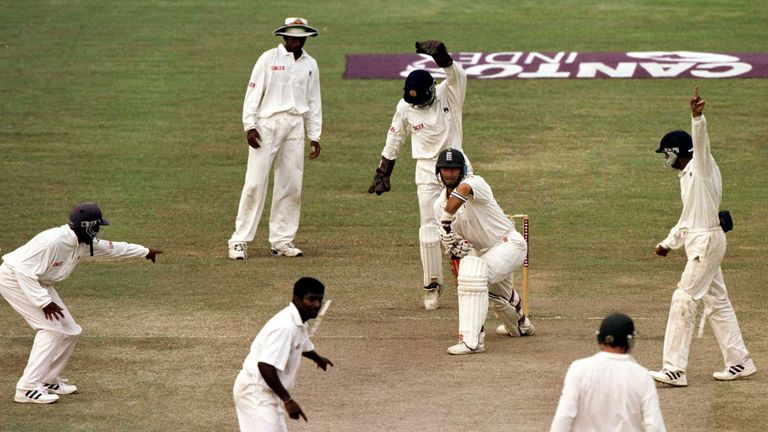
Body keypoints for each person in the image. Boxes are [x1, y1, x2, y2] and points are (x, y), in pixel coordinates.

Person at [0, 202, 162, 404]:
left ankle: (49, 379)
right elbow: (23, 271)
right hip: (15, 280)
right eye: (96, 227)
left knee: (70, 331)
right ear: (85, 226)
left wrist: (145, 251)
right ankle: (27, 388)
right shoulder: (53, 241)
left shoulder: (82, 243)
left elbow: (113, 249)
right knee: (51, 330)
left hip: (39, 282)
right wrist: (43, 302)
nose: (97, 232)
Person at [649, 86, 756, 387]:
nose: (664, 159)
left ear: (675, 153)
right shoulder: (687, 178)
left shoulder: (702, 167)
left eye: (665, 154)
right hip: (703, 239)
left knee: (683, 298)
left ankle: (674, 369)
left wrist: (698, 119)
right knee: (717, 301)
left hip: (706, 242)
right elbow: (688, 219)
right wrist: (668, 244)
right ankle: (739, 361)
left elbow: (701, 144)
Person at [368, 39, 471, 310]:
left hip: (457, 166)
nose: (417, 106)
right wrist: (383, 171)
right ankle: (432, 285)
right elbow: (394, 138)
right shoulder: (405, 108)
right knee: (429, 230)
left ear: (430, 92)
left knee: (466, 223)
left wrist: (443, 57)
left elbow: (456, 74)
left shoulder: (449, 93)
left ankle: (471, 279)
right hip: (426, 170)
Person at [228, 17, 322, 260]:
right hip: (267, 124)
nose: (296, 40)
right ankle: (239, 241)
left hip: (295, 124)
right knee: (255, 183)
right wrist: (249, 126)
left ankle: (282, 240)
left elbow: (313, 102)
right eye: (292, 36)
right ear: (284, 36)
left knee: (291, 183)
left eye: (301, 37)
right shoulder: (268, 59)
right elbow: (253, 93)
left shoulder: (310, 64)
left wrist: (315, 135)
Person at [433, 148, 533, 355]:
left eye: (454, 169)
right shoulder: (437, 205)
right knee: (497, 296)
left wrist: (445, 220)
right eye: (445, 169)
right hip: (484, 253)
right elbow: (455, 244)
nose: (449, 173)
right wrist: (454, 245)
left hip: (509, 244)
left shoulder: (475, 182)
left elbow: (462, 191)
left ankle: (472, 341)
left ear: (462, 170)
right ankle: (521, 325)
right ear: (438, 171)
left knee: (474, 275)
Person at [233, 277, 333, 432]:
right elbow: (265, 365)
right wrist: (288, 400)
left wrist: (317, 358)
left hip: (268, 393)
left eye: (320, 300)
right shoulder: (285, 327)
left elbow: (301, 345)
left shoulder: (298, 321)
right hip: (255, 393)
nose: (317, 305)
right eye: (311, 300)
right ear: (297, 299)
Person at [550, 313, 666, 432]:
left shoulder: (578, 368)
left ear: (599, 338)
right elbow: (654, 426)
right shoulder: (642, 376)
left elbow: (564, 417)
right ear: (630, 341)